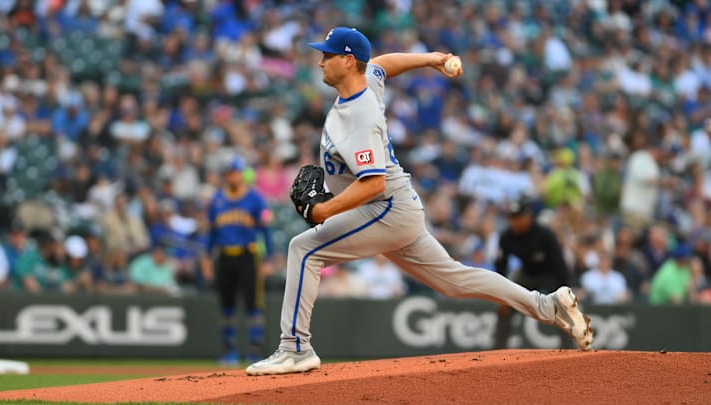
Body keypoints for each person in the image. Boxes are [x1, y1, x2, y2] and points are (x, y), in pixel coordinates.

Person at [246, 27, 593, 376]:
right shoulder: (367, 82)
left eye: (328, 55)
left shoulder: (359, 117)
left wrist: (324, 210)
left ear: (349, 61)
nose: (320, 61)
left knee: (303, 249)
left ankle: (294, 348)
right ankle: (548, 305)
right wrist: (432, 59)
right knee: (454, 281)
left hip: (385, 207)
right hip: (398, 208)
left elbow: (373, 183)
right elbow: (382, 64)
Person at [207, 156, 274, 365]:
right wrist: (206, 258)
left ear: (241, 174)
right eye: (228, 173)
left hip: (248, 255)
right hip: (225, 256)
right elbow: (211, 232)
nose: (231, 177)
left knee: (253, 304)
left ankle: (255, 349)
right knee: (227, 305)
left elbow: (266, 230)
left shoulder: (255, 198)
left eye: (234, 172)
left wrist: (269, 258)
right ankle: (229, 351)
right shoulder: (217, 199)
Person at [492, 197, 574, 349]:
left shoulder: (545, 235)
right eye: (512, 218)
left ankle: (569, 350)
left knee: (563, 309)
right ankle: (498, 350)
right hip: (527, 273)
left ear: (528, 216)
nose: (515, 222)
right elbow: (500, 267)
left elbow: (560, 266)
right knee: (506, 304)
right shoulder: (506, 237)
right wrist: (501, 297)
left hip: (549, 274)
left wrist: (565, 292)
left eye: (519, 217)